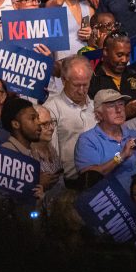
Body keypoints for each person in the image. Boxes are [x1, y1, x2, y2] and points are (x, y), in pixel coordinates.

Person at [74, 88, 136, 191]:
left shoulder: (134, 134)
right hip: (111, 202)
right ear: (99, 114)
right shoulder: (87, 140)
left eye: (121, 104)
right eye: (111, 106)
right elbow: (89, 178)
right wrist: (121, 156)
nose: (118, 110)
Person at [45, 56, 96, 186]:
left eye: (85, 85)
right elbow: (51, 152)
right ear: (63, 80)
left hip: (98, 181)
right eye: (76, 85)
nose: (81, 91)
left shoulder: (96, 107)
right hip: (68, 184)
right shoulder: (51, 108)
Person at [87, 30, 136, 108]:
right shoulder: (92, 81)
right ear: (106, 51)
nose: (124, 60)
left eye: (127, 55)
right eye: (119, 55)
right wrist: (125, 113)